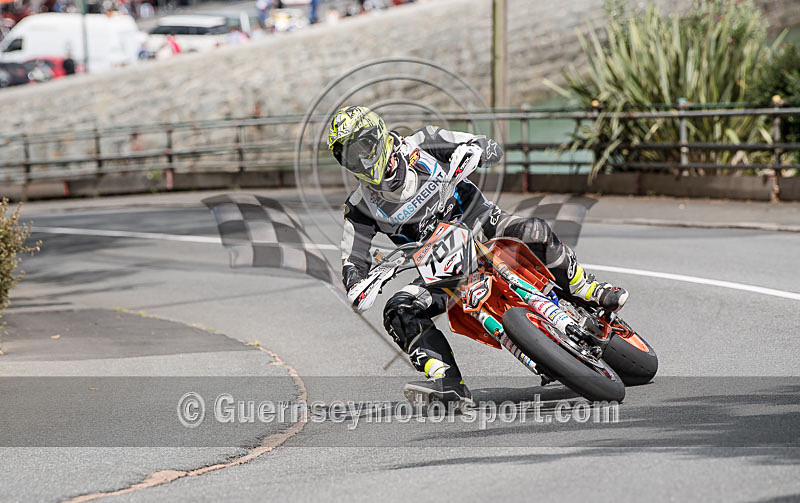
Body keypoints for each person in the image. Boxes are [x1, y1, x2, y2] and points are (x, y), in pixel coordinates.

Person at [328, 106, 628, 404]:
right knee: (399, 310)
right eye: (350, 155)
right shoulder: (358, 207)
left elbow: (481, 144)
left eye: (364, 146)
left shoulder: (424, 141)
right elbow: (352, 258)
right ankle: (446, 382)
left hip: (482, 224)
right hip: (443, 269)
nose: (361, 159)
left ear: (378, 136)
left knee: (532, 229)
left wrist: (480, 150)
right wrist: (358, 283)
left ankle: (586, 287)